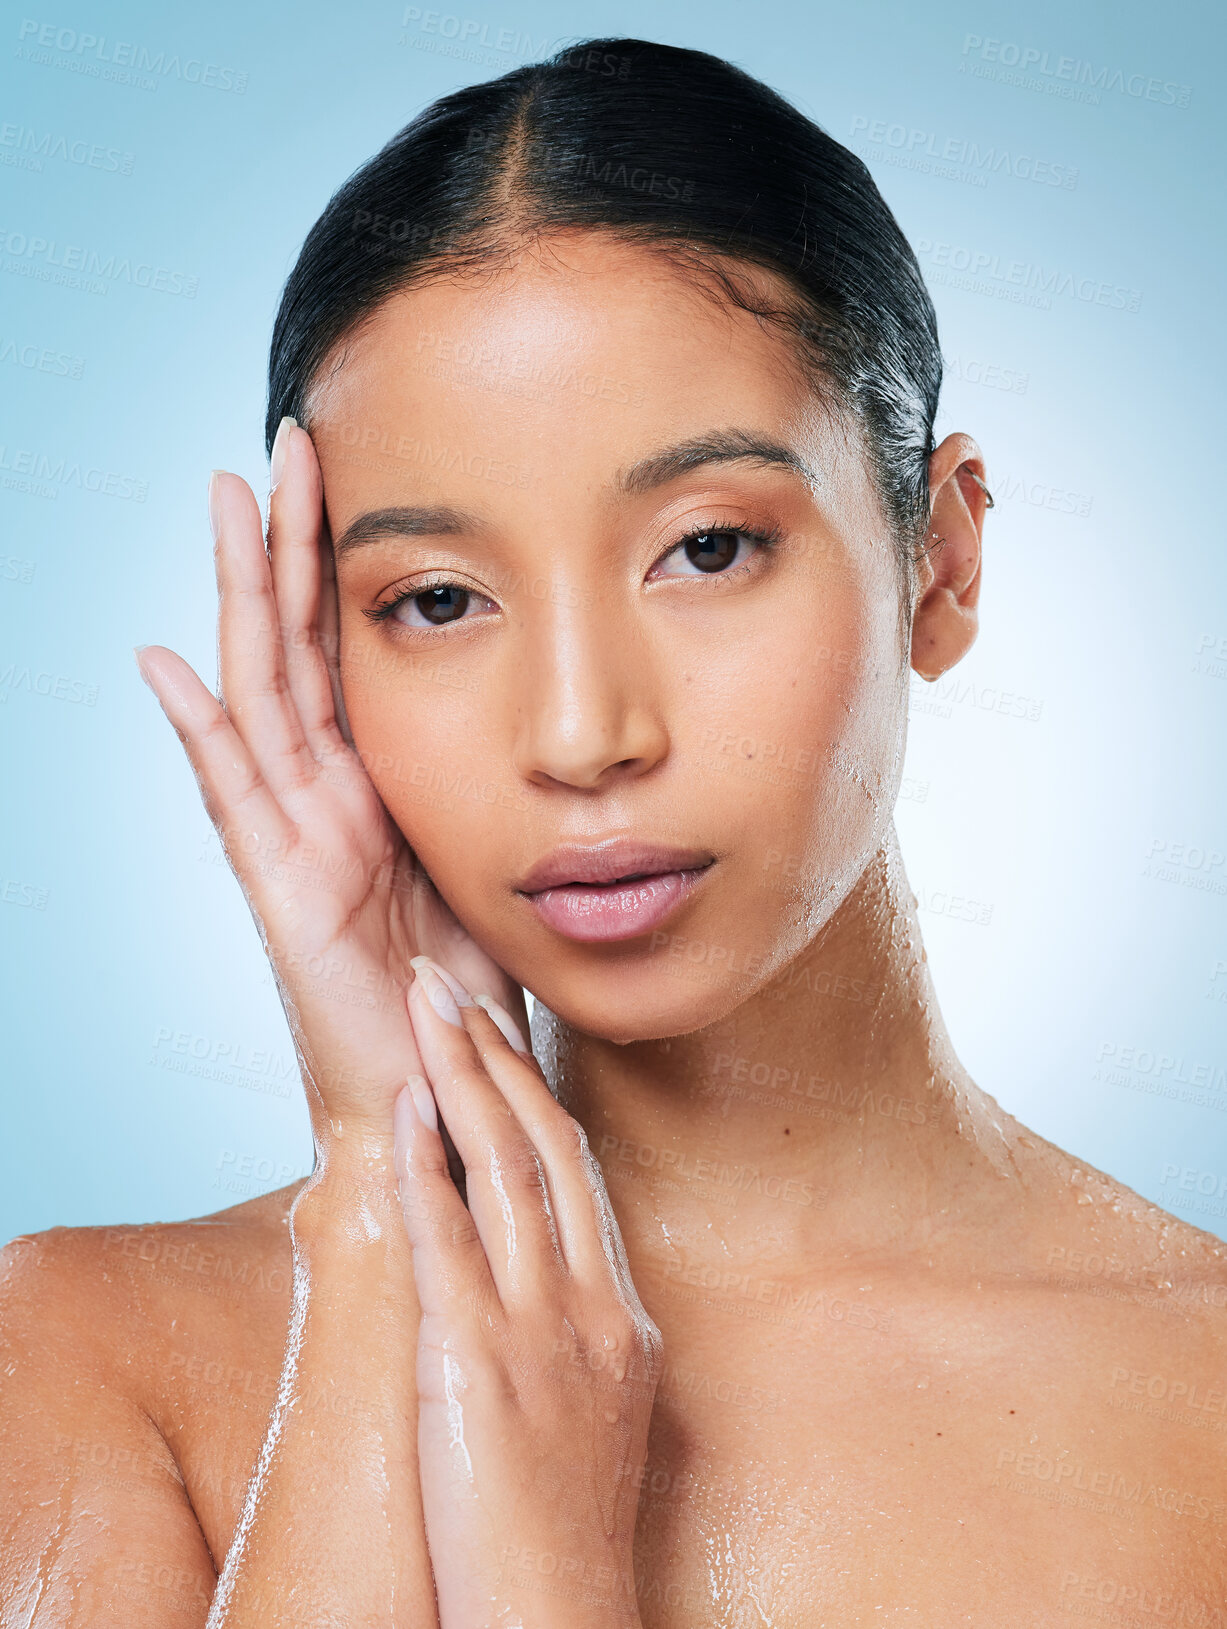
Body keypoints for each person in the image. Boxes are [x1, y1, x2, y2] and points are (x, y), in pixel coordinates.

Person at [3, 35, 1226, 1626]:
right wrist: (386, 1204)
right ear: (325, 648)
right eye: (437, 599)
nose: (583, 733)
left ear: (942, 561)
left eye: (708, 548)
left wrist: (548, 1588)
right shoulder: (90, 1356)